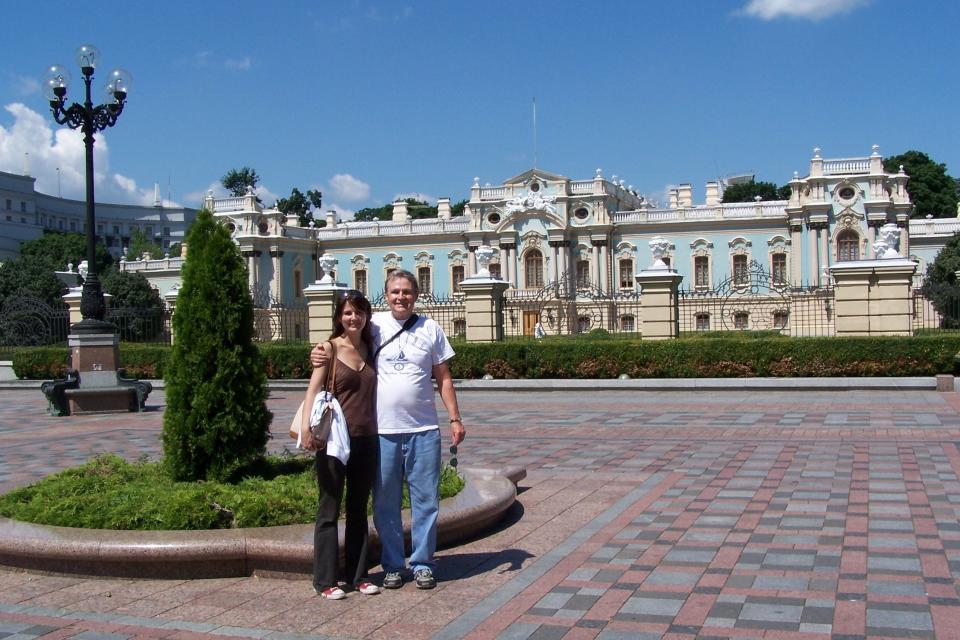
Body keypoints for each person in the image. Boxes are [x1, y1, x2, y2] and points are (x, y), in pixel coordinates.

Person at [311, 269, 466, 590]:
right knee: (385, 503)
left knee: (426, 501)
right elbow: (343, 343)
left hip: (423, 429)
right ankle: (393, 564)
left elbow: (444, 377)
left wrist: (454, 418)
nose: (401, 297)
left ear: (416, 295)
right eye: (395, 292)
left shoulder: (431, 328)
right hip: (380, 432)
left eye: (407, 292)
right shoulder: (374, 325)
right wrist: (319, 350)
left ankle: (423, 562)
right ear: (386, 295)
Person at [302, 290, 381, 600]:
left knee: (359, 509)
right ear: (339, 317)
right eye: (348, 312)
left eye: (359, 312)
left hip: (367, 438)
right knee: (329, 508)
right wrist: (309, 430)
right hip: (333, 441)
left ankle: (358, 576)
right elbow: (313, 389)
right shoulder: (328, 349)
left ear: (366, 317)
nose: (353, 317)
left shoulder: (371, 347)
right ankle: (324, 580)